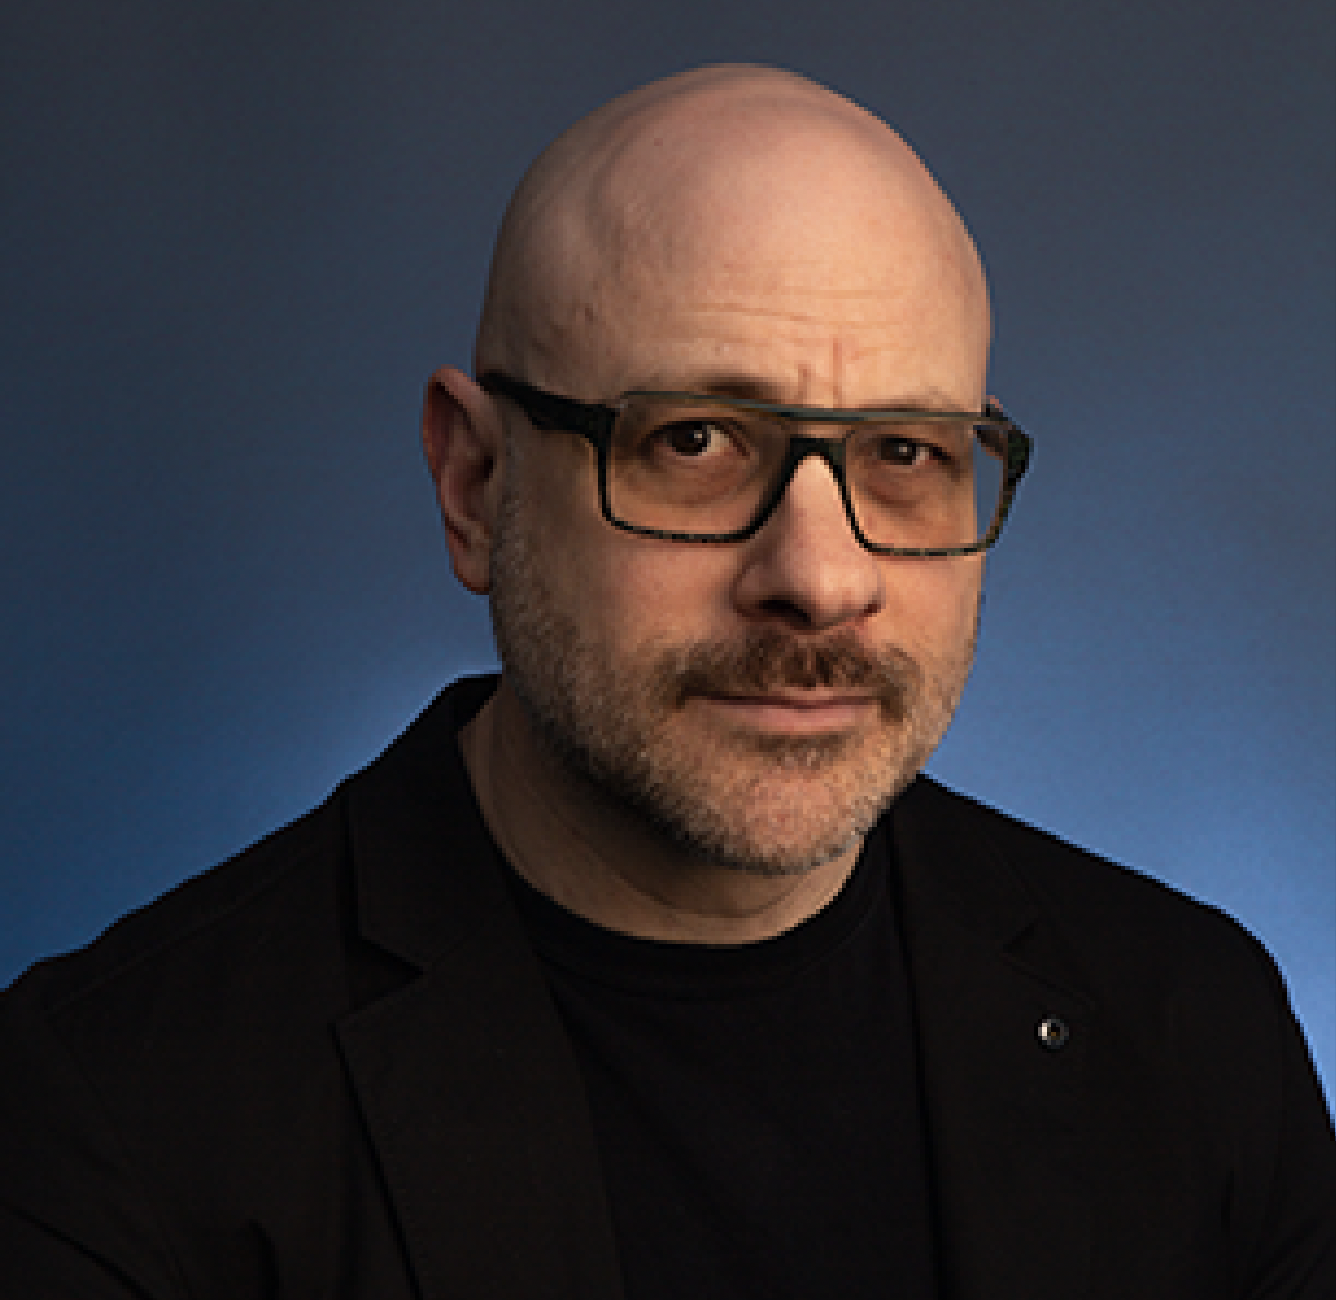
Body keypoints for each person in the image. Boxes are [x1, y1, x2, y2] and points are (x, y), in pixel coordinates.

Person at [1, 64, 1332, 1300]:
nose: (819, 577)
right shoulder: (109, 1115)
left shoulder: (1196, 1027)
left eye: (908, 454)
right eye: (693, 440)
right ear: (474, 486)